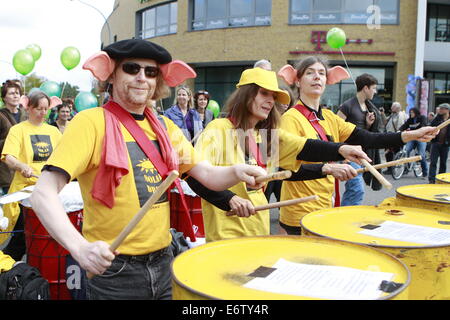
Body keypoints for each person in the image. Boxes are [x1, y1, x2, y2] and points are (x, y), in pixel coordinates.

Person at [29, 39, 271, 300]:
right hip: (116, 272)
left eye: (151, 71)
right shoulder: (91, 122)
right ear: (111, 74)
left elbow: (208, 175)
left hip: (164, 262)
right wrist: (80, 248)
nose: (142, 78)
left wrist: (237, 171)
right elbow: (43, 193)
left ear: (158, 81)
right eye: (131, 68)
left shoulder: (165, 128)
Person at [187, 67, 371, 242]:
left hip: (258, 229)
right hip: (225, 235)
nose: (271, 101)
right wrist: (230, 199)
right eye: (264, 93)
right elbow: (193, 176)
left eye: (273, 96)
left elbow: (294, 158)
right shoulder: (218, 129)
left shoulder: (263, 134)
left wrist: (334, 157)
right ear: (245, 95)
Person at [277, 56, 438, 235]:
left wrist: (411, 135)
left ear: (327, 80)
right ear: (298, 81)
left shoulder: (329, 117)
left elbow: (368, 138)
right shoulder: (290, 118)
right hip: (299, 212)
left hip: (325, 206)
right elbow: (286, 173)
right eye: (310, 73)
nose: (317, 77)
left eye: (321, 73)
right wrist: (329, 167)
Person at [1, 91, 62, 261]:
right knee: (20, 239)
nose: (43, 113)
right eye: (38, 109)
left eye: (45, 109)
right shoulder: (17, 130)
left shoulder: (54, 132)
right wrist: (21, 166)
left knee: (49, 236)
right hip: (24, 193)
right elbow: (9, 157)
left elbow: (63, 156)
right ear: (28, 107)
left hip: (49, 191)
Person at [337, 73, 384, 206]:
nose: (375, 91)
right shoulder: (347, 106)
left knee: (354, 190)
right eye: (373, 88)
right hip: (350, 155)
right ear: (365, 88)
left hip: (363, 154)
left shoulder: (368, 107)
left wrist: (369, 124)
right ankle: (346, 217)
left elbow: (365, 133)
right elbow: (334, 128)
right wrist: (342, 153)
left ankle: (346, 214)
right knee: (356, 190)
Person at [0, 81, 28, 196]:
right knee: (11, 207)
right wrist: (10, 142)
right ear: (4, 98)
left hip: (26, 167)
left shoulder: (26, 115)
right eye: (11, 93)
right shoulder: (1, 116)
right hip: (6, 168)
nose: (16, 95)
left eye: (17, 93)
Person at [399, 107, 429, 178]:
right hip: (412, 138)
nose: (410, 114)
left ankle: (425, 172)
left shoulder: (422, 118)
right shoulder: (410, 120)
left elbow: (423, 125)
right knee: (406, 151)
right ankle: (406, 168)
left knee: (421, 154)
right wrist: (399, 131)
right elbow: (404, 126)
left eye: (412, 112)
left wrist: (416, 130)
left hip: (421, 138)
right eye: (410, 112)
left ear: (415, 112)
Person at [380, 101, 408, 174]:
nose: (391, 107)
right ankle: (390, 168)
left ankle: (400, 168)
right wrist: (382, 114)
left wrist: (398, 135)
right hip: (390, 135)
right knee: (389, 153)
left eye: (393, 106)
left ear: (397, 108)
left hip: (396, 136)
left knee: (397, 152)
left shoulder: (401, 115)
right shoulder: (392, 115)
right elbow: (385, 122)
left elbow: (400, 126)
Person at [428, 103, 450, 184]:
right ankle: (431, 179)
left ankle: (441, 180)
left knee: (443, 163)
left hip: (445, 144)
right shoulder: (437, 119)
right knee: (433, 162)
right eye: (440, 109)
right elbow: (431, 127)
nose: (440, 110)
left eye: (442, 109)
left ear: (447, 110)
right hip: (435, 143)